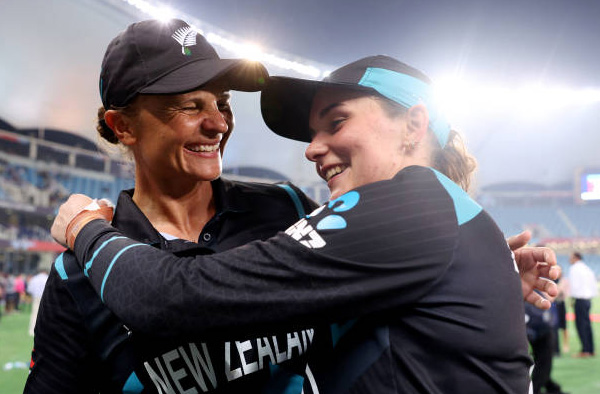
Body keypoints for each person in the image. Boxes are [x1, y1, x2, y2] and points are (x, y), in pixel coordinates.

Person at [53, 55, 561, 393]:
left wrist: (85, 228)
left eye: (336, 122)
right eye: (315, 131)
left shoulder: (411, 206)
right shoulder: (427, 218)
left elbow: (169, 298)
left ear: (414, 125)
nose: (313, 149)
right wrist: (479, 281)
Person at [25, 18, 320, 394]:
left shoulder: (288, 208)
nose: (218, 123)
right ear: (123, 127)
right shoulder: (78, 276)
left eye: (222, 102)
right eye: (190, 106)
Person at [525, 298, 568, 394]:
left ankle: (548, 387)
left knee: (543, 363)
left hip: (539, 325)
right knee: (542, 363)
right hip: (536, 325)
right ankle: (538, 388)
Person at [568, 251, 597, 357]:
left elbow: (574, 286)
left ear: (576, 258)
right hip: (588, 300)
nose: (569, 260)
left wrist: (571, 299)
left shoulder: (574, 269)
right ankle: (591, 349)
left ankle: (585, 350)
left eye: (571, 257)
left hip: (580, 299)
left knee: (581, 325)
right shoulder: (587, 269)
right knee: (587, 325)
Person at [27, 268, 49, 336]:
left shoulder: (34, 278)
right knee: (45, 313)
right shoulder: (47, 277)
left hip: (36, 297)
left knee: (35, 313)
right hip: (45, 297)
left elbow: (29, 289)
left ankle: (32, 330)